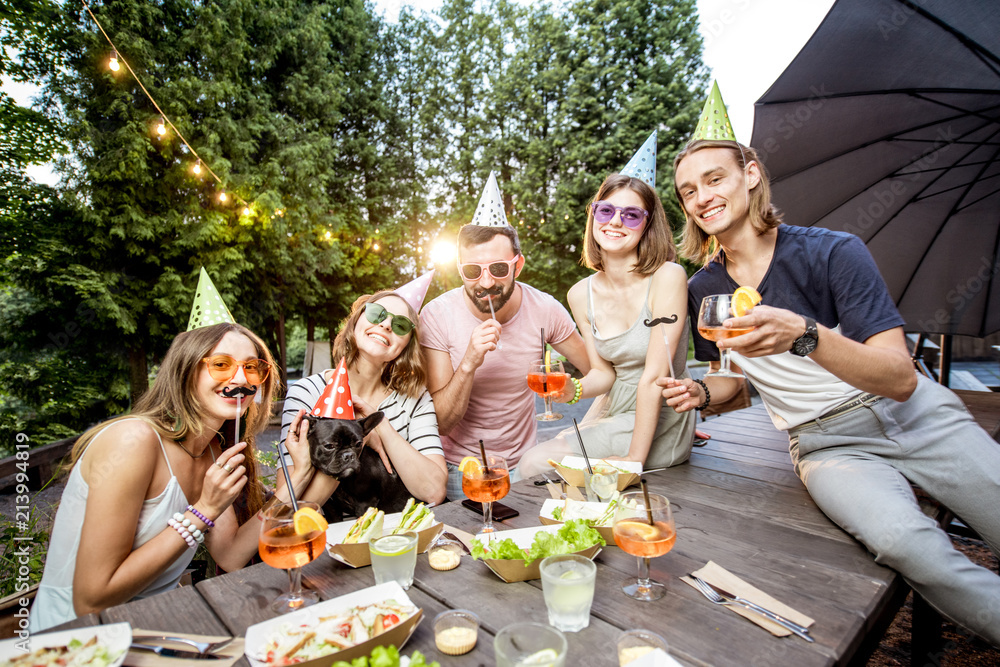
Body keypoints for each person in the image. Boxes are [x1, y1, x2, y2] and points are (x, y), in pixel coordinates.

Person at [661, 135, 1000, 645]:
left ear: (750, 174)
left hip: (916, 418)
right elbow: (732, 384)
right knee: (905, 542)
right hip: (827, 445)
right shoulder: (703, 289)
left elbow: (901, 378)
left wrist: (805, 333)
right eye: (689, 191)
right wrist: (701, 394)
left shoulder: (834, 251)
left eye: (714, 179)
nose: (702, 197)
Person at [29, 321, 309, 631]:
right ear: (186, 371)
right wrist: (203, 511)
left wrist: (296, 478)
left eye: (252, 368)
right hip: (76, 642)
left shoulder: (213, 450)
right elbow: (91, 601)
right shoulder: (133, 440)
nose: (240, 379)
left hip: (149, 629)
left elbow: (230, 555)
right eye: (221, 364)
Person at [420, 173, 590, 499]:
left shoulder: (545, 309)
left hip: (528, 465)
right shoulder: (437, 316)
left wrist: (572, 391)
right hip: (462, 471)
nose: (485, 283)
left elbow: (596, 371)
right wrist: (469, 362)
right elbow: (439, 422)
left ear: (518, 266)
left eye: (498, 268)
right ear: (460, 270)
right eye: (473, 271)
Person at [518, 171, 695, 477]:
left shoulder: (668, 277)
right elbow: (603, 374)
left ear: (648, 225)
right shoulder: (579, 294)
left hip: (661, 415)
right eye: (606, 210)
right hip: (611, 408)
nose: (615, 222)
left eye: (631, 215)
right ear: (594, 216)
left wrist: (633, 459)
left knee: (535, 464)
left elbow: (654, 377)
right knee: (549, 472)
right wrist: (570, 390)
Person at [280, 291, 447, 512]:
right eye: (377, 314)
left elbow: (434, 491)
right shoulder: (306, 393)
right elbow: (290, 508)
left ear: (408, 344)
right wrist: (354, 437)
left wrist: (381, 428)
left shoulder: (415, 399)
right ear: (355, 321)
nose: (386, 325)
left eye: (400, 325)